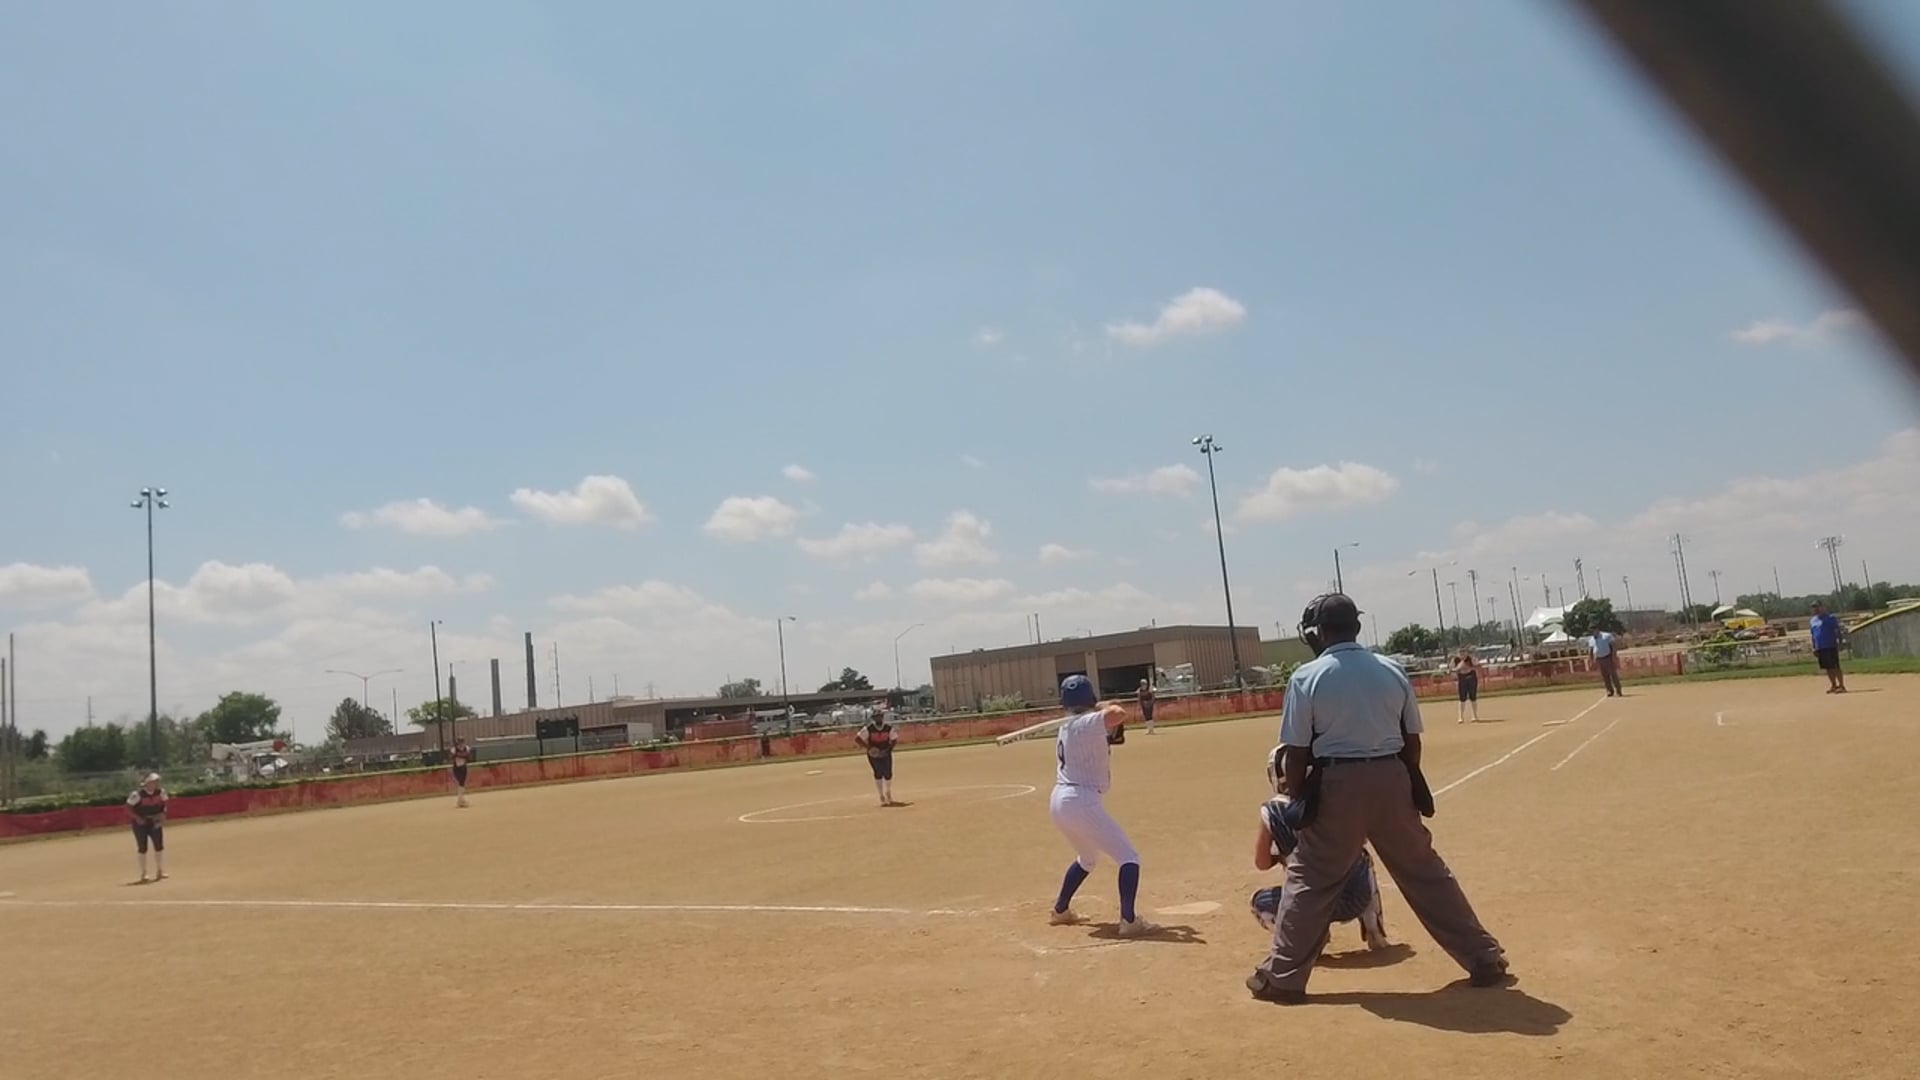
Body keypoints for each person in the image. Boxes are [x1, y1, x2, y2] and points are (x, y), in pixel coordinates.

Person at [1246, 593, 1507, 1004]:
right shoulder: (1392, 669)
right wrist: (1408, 783)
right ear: (1357, 627)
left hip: (1336, 781)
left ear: (1317, 633)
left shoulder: (1307, 677)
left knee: (1311, 877)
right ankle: (1484, 957)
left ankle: (1283, 977)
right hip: (1391, 775)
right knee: (1425, 872)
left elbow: (1295, 752)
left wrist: (1298, 798)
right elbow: (1412, 740)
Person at [1046, 675, 1157, 938]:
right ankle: (1129, 921)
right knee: (1129, 857)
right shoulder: (1086, 723)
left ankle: (1061, 910)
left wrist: (1098, 710)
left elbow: (1112, 731)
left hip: (1061, 800)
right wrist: (1103, 707)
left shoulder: (1069, 725)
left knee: (1088, 859)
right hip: (1080, 800)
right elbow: (1119, 714)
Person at [1250, 747, 1389, 951]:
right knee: (1360, 857)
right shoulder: (1335, 797)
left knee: (1260, 902)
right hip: (1355, 899)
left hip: (1309, 902)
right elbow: (1361, 838)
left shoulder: (1272, 810)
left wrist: (1284, 855)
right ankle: (1373, 927)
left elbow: (1261, 863)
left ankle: (1310, 937)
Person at [127, 772, 169, 883]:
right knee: (142, 847)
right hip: (140, 823)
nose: (156, 783)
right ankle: (144, 872)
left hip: (154, 821)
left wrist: (163, 816)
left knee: (159, 846)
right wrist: (137, 818)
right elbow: (128, 807)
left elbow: (164, 804)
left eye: (157, 781)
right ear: (148, 783)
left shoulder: (161, 792)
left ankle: (160, 870)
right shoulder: (137, 794)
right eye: (154, 781)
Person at [854, 707, 899, 806]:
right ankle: (881, 795)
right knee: (878, 773)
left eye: (880, 716)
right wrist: (869, 748)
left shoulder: (888, 728)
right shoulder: (869, 729)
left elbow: (894, 739)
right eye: (876, 717)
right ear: (873, 718)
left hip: (885, 753)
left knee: (888, 773)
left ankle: (888, 792)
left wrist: (889, 749)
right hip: (873, 755)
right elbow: (857, 738)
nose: (878, 718)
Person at [1810, 601, 1847, 693]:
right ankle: (1834, 685)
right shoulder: (1813, 620)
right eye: (1814, 607)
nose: (1816, 609)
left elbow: (1837, 631)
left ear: (1823, 607)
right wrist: (1814, 647)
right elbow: (1813, 635)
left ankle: (1841, 686)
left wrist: (1840, 642)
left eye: (1818, 606)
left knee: (1835, 666)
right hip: (1820, 647)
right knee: (1827, 667)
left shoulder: (1830, 618)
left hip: (1830, 645)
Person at [1450, 649, 1483, 723]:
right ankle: (1460, 717)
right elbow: (1451, 669)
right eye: (1460, 653)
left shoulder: (1471, 658)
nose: (1462, 655)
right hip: (1462, 678)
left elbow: (1478, 666)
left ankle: (1474, 716)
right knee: (1462, 698)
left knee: (1473, 697)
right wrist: (1457, 668)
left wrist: (1470, 666)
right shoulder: (1455, 660)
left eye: (1464, 653)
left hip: (1471, 678)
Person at [1590, 627, 1624, 697]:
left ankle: (1618, 691)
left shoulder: (1606, 636)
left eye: (1594, 630)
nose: (1593, 632)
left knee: (1613, 675)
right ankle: (1609, 690)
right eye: (1591, 631)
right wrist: (1592, 660)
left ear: (1597, 630)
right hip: (1599, 659)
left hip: (1608, 658)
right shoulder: (1591, 639)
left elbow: (1613, 646)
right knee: (1605, 676)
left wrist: (1614, 656)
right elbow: (1591, 650)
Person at [450, 737, 473, 808]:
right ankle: (461, 800)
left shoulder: (467, 748)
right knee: (460, 782)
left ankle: (460, 800)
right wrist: (462, 755)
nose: (461, 743)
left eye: (462, 741)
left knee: (462, 783)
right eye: (459, 742)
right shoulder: (454, 749)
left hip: (463, 767)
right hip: (456, 767)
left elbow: (469, 757)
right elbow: (452, 757)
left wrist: (458, 755)